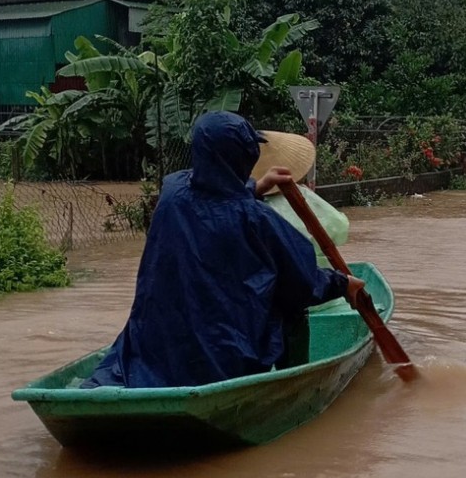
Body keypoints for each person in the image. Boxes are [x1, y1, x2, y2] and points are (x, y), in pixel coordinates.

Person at [82, 111, 363, 388]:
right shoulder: (257, 220)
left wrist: (254, 187)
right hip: (224, 359)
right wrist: (342, 283)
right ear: (246, 156)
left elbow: (209, 190)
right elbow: (303, 282)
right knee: (290, 306)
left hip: (152, 352)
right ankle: (295, 387)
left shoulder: (171, 192)